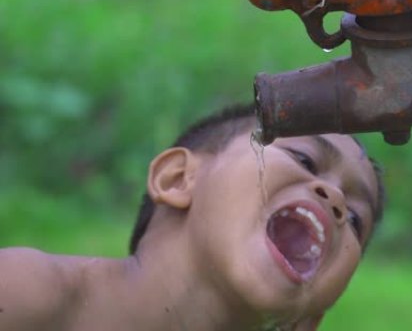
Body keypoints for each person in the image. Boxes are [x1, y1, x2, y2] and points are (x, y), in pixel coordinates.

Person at [0, 104, 385, 331]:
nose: (334, 197)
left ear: (310, 320)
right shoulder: (30, 291)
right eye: (304, 160)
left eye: (354, 218)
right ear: (178, 179)